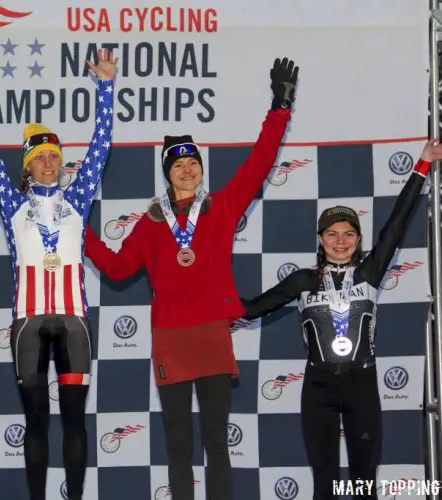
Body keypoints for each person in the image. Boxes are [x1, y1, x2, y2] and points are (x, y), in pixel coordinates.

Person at [83, 58, 299, 500]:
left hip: (212, 335)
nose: (186, 169)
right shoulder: (151, 221)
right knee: (179, 443)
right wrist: (76, 229)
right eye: (177, 164)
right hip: (170, 338)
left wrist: (280, 107)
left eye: (192, 162)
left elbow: (259, 163)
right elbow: (117, 267)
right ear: (167, 172)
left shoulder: (220, 208)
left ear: (201, 169)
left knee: (216, 442)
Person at [239, 140, 441, 499]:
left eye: (348, 234)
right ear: (320, 239)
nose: (340, 241)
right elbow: (252, 307)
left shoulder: (369, 273)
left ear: (358, 239)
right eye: (332, 234)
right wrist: (195, 301)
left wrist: (422, 165)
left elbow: (397, 223)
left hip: (362, 385)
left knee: (364, 481)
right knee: (325, 483)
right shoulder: (302, 280)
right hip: (318, 389)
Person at [0, 51, 117, 500]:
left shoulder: (79, 197)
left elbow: (100, 147)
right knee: (35, 422)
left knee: (74, 420)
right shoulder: (13, 203)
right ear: (26, 165)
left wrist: (105, 89)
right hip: (27, 321)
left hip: (74, 320)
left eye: (54, 157)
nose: (48, 163)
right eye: (40, 157)